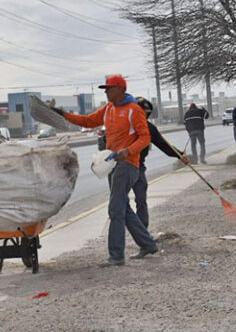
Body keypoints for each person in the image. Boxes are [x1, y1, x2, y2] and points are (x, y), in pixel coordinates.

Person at [53, 75, 159, 266]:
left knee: (115, 209)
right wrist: (63, 114)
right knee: (123, 208)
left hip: (128, 164)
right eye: (105, 88)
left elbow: (145, 137)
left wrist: (128, 151)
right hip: (112, 164)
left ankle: (116, 256)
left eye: (109, 88)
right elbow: (87, 121)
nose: (106, 91)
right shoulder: (109, 108)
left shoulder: (133, 110)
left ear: (120, 89)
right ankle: (148, 244)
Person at [134, 97, 189, 228]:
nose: (144, 115)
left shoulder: (149, 128)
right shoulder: (124, 125)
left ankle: (143, 234)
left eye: (146, 113)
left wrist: (179, 155)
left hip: (138, 167)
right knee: (121, 203)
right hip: (121, 167)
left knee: (140, 200)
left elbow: (163, 145)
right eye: (141, 112)